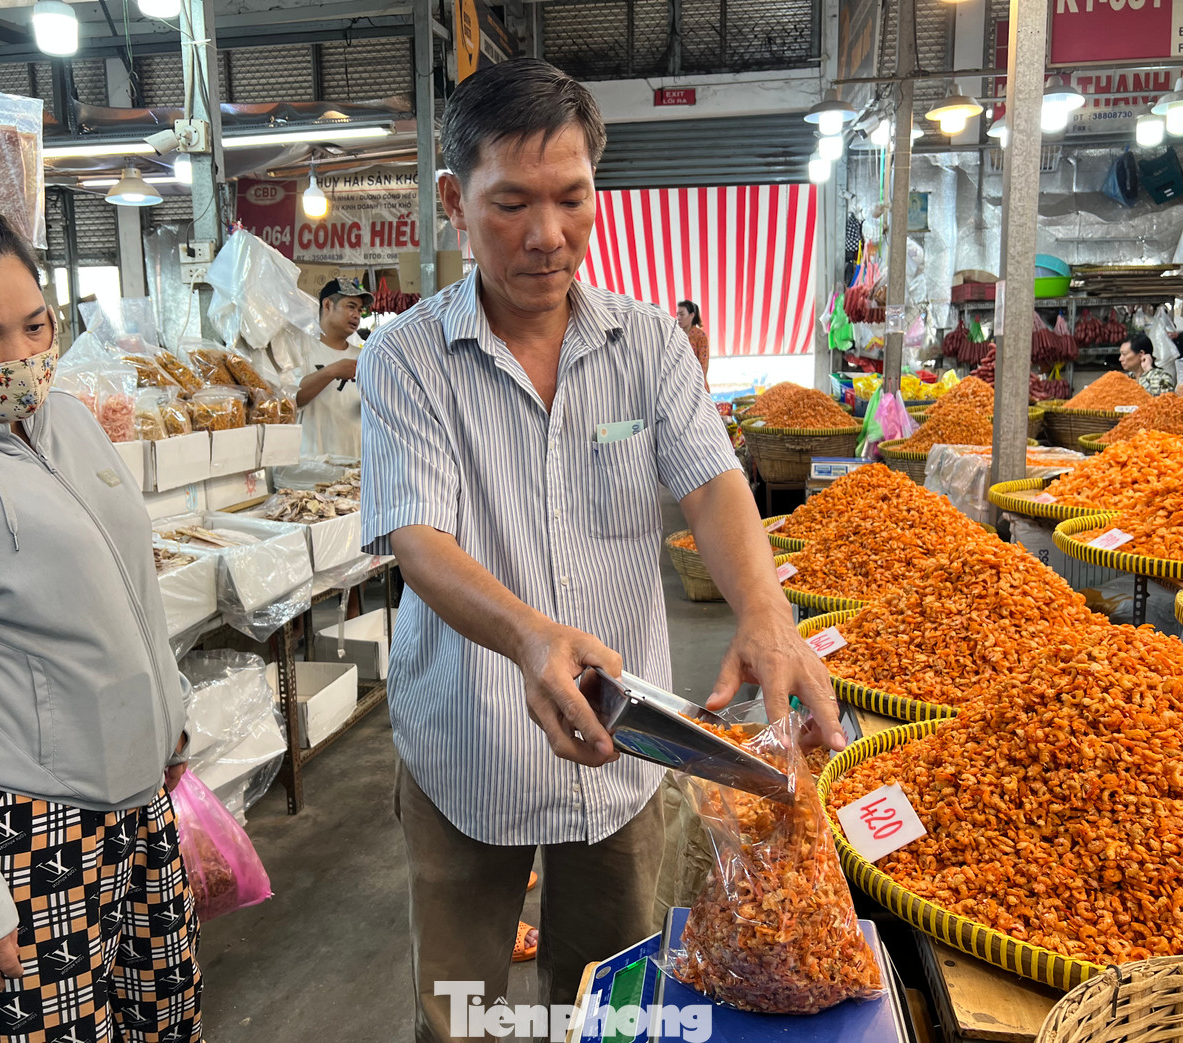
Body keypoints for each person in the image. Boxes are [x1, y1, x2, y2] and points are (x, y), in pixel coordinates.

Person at [357, 58, 843, 1042]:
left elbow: (711, 483)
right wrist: (533, 637)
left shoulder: (651, 345)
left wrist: (763, 612)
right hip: (469, 743)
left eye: (571, 199)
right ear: (455, 201)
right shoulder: (406, 357)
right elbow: (419, 536)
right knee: (461, 1013)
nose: (546, 235)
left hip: (624, 751)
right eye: (511, 204)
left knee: (613, 1006)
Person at [0, 207, 202, 1042]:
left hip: (140, 801)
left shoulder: (70, 418)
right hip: (26, 833)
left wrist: (168, 712)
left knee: (165, 1022)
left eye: (36, 324)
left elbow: (129, 586)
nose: (21, 358)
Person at [295, 276, 374, 460]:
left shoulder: (365, 356)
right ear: (328, 305)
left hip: (357, 463)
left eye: (360, 310)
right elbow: (292, 400)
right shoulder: (300, 349)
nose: (357, 315)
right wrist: (332, 371)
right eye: (351, 306)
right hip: (314, 465)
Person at [676, 299, 710, 386]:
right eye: (677, 315)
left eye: (682, 314)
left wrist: (695, 385)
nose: (678, 318)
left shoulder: (700, 336)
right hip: (679, 385)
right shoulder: (676, 335)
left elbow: (703, 365)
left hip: (696, 385)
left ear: (691, 315)